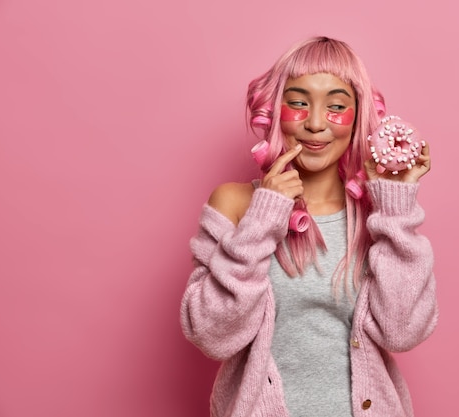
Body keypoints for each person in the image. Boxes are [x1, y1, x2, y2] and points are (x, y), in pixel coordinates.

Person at [180, 36, 438, 417]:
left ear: (359, 117)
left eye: (336, 107)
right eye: (299, 103)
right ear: (275, 110)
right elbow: (212, 335)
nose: (316, 123)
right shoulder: (235, 204)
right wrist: (264, 216)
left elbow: (402, 333)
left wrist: (396, 208)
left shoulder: (376, 215)